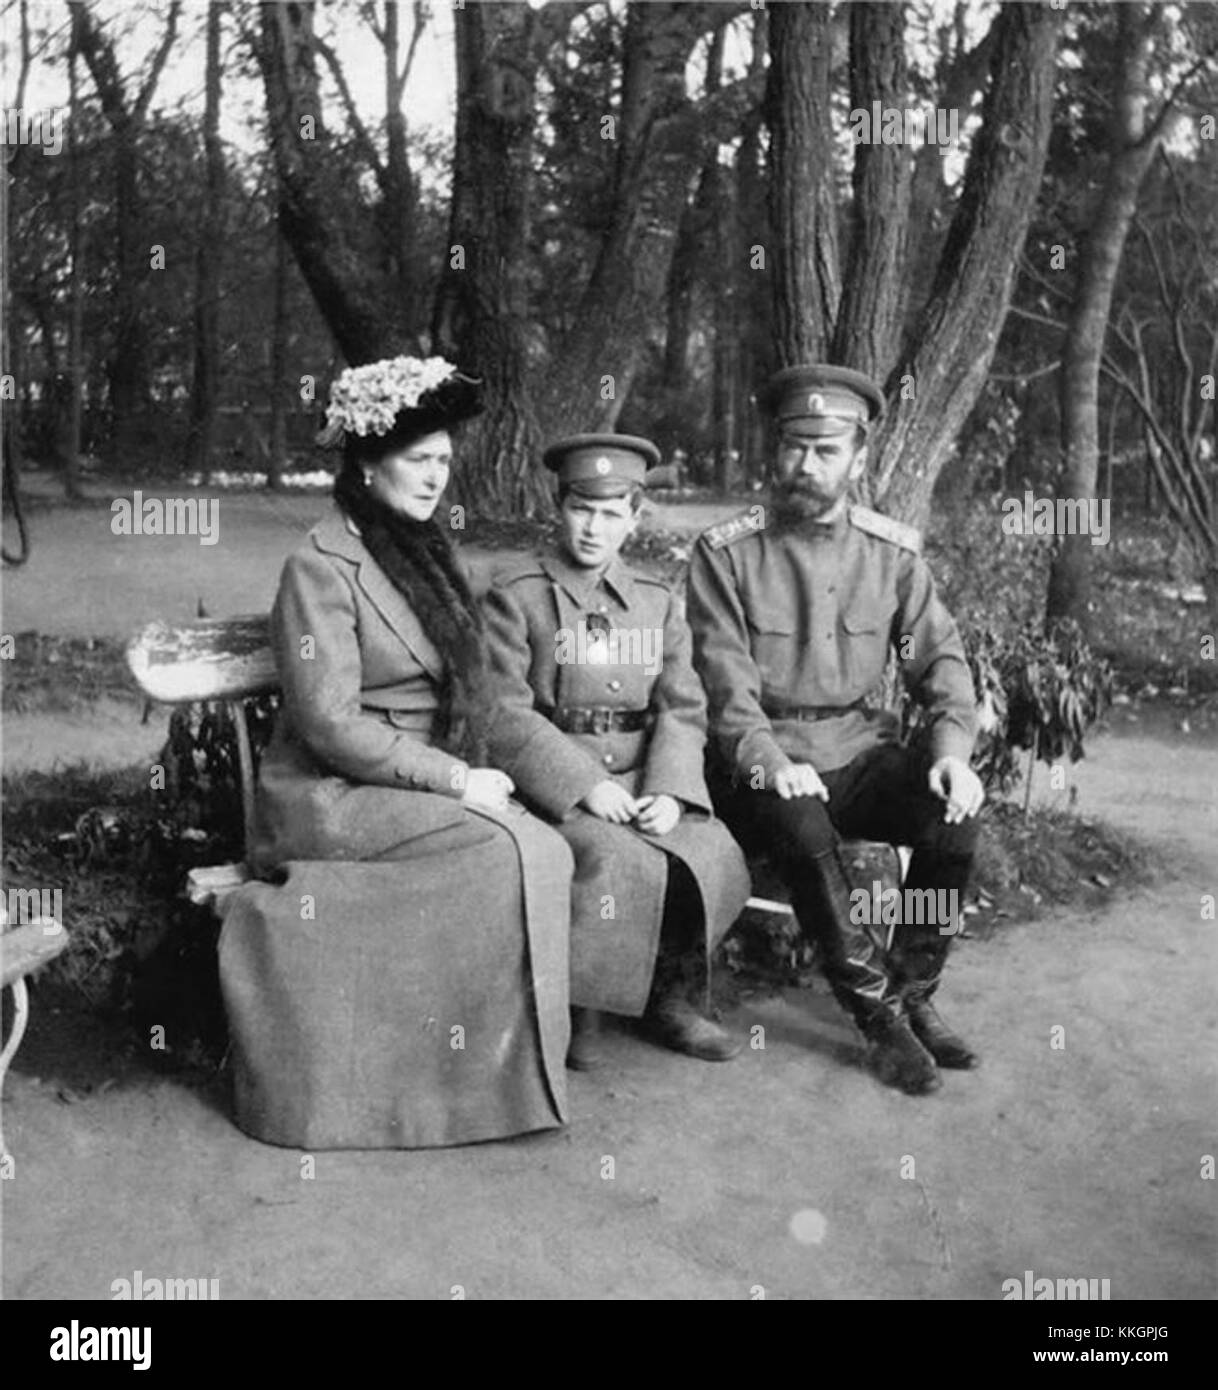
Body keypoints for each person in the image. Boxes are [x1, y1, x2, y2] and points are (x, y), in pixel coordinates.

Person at [218, 356, 574, 1149]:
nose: (435, 478)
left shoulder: (424, 550)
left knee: (543, 848)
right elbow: (329, 724)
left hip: (414, 779)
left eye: (444, 461)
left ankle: (482, 1080)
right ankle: (425, 1092)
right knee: (512, 850)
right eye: (419, 461)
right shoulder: (321, 562)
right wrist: (452, 776)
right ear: (369, 464)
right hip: (326, 793)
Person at [685, 365, 985, 1096]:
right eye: (793, 446)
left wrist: (951, 756)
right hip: (761, 761)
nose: (806, 465)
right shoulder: (726, 555)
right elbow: (726, 694)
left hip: (854, 748)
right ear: (774, 448)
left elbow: (942, 668)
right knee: (802, 824)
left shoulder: (891, 556)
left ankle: (915, 991)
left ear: (859, 457)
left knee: (951, 817)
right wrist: (765, 758)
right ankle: (878, 1018)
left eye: (826, 450)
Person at [482, 435, 751, 1069]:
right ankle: (585, 1006)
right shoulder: (517, 594)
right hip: (553, 783)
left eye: (610, 514)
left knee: (708, 847)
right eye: (581, 508)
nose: (593, 528)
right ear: (559, 506)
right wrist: (583, 785)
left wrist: (669, 787)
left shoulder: (656, 602)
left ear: (633, 519)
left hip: (641, 774)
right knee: (608, 855)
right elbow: (502, 710)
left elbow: (682, 707)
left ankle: (671, 998)